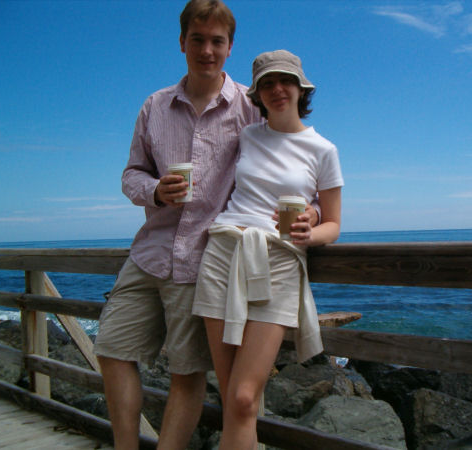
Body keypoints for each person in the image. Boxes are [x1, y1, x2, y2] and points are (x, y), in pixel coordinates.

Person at [93, 3, 318, 449]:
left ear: (230, 48)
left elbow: (289, 159)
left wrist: (310, 209)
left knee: (187, 372)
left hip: (205, 260)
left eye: (217, 41)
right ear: (182, 43)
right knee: (111, 351)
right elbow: (130, 174)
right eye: (198, 40)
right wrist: (156, 190)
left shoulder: (248, 109)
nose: (207, 50)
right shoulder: (154, 106)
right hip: (149, 252)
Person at [192, 49, 343, 449]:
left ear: (300, 88)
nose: (278, 89)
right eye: (267, 84)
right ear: (256, 94)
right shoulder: (245, 136)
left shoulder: (323, 149)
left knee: (243, 399)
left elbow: (334, 224)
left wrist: (310, 231)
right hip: (224, 252)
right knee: (232, 399)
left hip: (278, 260)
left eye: (286, 81)